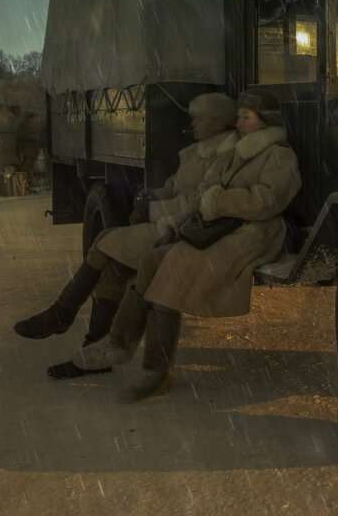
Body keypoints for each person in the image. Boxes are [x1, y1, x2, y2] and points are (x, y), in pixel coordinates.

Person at [73, 87, 301, 402]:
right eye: (239, 116)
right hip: (220, 226)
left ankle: (157, 369)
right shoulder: (237, 152)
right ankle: (118, 342)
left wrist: (219, 202)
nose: (240, 122)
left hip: (254, 232)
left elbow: (269, 201)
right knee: (153, 260)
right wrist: (205, 199)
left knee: (173, 268)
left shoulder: (279, 154)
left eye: (246, 116)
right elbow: (208, 185)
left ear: (265, 121)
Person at [13, 92, 240, 379]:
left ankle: (63, 315)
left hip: (189, 229)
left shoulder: (226, 156)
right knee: (114, 262)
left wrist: (156, 210)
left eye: (201, 117)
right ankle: (91, 346)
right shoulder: (197, 152)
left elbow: (201, 202)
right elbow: (174, 187)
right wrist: (150, 196)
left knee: (107, 244)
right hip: (173, 221)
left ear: (219, 122)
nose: (193, 122)